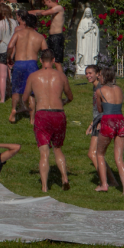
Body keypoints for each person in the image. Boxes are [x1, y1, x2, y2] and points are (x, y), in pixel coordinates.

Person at [22, 49, 73, 192]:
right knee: (57, 149)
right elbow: (70, 96)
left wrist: (29, 108)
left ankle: (44, 186)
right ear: (54, 60)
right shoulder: (61, 76)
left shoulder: (33, 76)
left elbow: (25, 98)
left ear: (40, 60)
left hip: (42, 113)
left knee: (44, 152)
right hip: (58, 113)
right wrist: (62, 102)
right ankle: (64, 178)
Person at [95, 67, 124, 195]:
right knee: (119, 158)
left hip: (108, 122)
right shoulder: (119, 89)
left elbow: (99, 110)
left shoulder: (99, 91)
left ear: (104, 77)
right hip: (121, 121)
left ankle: (104, 184)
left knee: (99, 154)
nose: (99, 78)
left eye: (100, 76)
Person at [6, 13, 46, 124]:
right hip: (32, 64)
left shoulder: (18, 34)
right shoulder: (39, 37)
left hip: (19, 63)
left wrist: (9, 57)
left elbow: (10, 46)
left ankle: (14, 110)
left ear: (25, 23)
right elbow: (46, 52)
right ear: (35, 24)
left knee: (16, 90)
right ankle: (32, 119)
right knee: (32, 92)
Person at [85, 65, 120, 189]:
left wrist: (98, 123)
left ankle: (104, 181)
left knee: (93, 153)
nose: (88, 76)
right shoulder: (96, 87)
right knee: (94, 154)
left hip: (101, 122)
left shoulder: (100, 88)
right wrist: (91, 124)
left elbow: (104, 108)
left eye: (91, 73)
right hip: (98, 121)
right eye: (86, 73)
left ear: (98, 74)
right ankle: (112, 180)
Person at [29, 0, 66, 73]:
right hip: (52, 37)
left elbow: (44, 13)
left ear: (49, 1)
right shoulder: (53, 9)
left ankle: (62, 80)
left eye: (45, 2)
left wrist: (36, 14)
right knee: (48, 58)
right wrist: (27, 12)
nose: (45, 4)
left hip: (57, 37)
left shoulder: (59, 8)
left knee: (56, 61)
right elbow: (41, 11)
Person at [0, 4, 18, 103]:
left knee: (2, 75)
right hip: (13, 49)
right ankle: (13, 94)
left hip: (2, 49)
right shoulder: (15, 22)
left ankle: (3, 98)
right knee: (12, 73)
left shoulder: (0, 23)